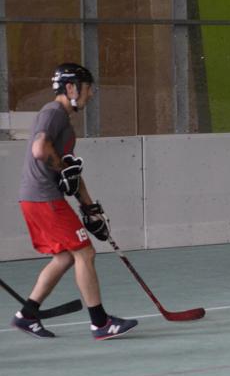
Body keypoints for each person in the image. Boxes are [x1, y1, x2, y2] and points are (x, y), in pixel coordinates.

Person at [11, 63, 137, 340]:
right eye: (88, 88)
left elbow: (71, 172)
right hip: (43, 197)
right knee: (85, 253)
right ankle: (100, 323)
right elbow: (40, 150)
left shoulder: (62, 121)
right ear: (71, 88)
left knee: (66, 255)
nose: (91, 94)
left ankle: (27, 315)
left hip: (38, 197)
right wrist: (60, 168)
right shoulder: (53, 112)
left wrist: (90, 209)